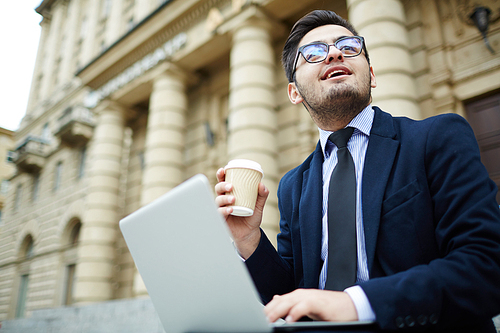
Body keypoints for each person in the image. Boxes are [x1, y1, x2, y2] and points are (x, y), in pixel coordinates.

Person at [215, 10, 500, 332]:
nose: (335, 53)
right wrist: (249, 239)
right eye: (314, 53)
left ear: (372, 75)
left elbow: (486, 265)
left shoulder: (436, 138)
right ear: (294, 93)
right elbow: (288, 294)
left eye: (349, 47)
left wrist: (355, 302)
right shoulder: (293, 185)